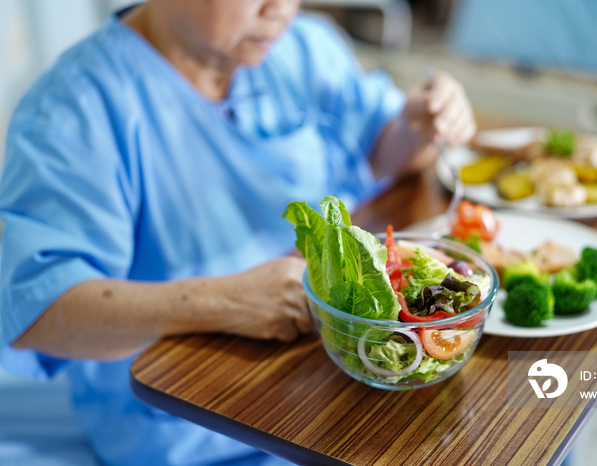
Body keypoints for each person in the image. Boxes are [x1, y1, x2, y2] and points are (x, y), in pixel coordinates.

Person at [0, 1, 475, 464]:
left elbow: (381, 153)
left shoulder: (303, 47)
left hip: (330, 383)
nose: (281, 10)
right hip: (186, 426)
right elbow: (39, 309)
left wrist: (416, 131)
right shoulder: (75, 109)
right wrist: (225, 303)